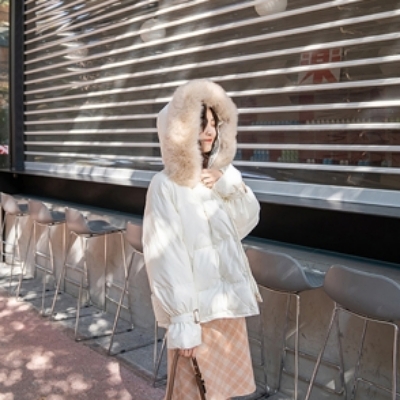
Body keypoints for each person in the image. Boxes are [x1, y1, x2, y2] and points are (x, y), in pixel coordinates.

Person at [143, 79, 262, 400]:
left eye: (213, 124)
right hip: (196, 314)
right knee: (193, 392)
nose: (210, 132)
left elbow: (244, 224)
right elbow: (166, 259)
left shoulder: (214, 177)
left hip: (227, 307)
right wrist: (182, 321)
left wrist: (227, 181)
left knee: (224, 392)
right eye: (200, 124)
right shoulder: (165, 185)